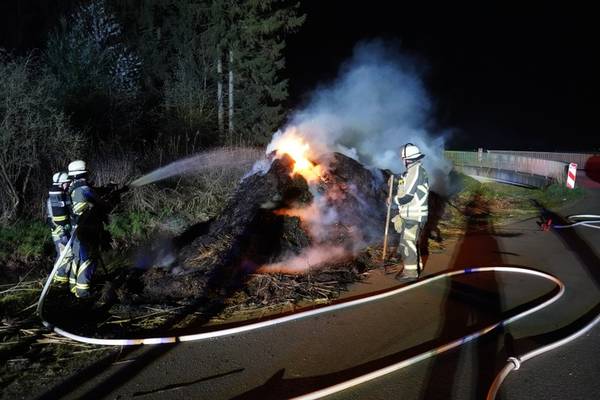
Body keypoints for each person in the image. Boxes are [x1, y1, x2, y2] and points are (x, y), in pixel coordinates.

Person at [67, 160, 105, 298]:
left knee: (77, 258)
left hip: (76, 229)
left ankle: (73, 287)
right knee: (88, 259)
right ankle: (82, 292)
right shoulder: (85, 189)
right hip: (86, 230)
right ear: (84, 173)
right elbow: (101, 204)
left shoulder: (72, 188)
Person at [392, 143, 429, 280]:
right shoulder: (414, 171)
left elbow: (407, 196)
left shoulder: (415, 171)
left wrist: (393, 200)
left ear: (407, 159)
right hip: (413, 215)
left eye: (403, 159)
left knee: (407, 243)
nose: (402, 161)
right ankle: (417, 267)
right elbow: (406, 185)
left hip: (414, 216)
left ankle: (411, 273)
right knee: (411, 242)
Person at [48, 172, 73, 285]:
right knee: (65, 254)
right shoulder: (53, 200)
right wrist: (61, 229)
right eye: (66, 183)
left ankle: (58, 278)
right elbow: (51, 218)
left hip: (64, 230)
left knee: (63, 254)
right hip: (59, 232)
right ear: (61, 183)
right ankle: (59, 280)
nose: (68, 185)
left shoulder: (62, 196)